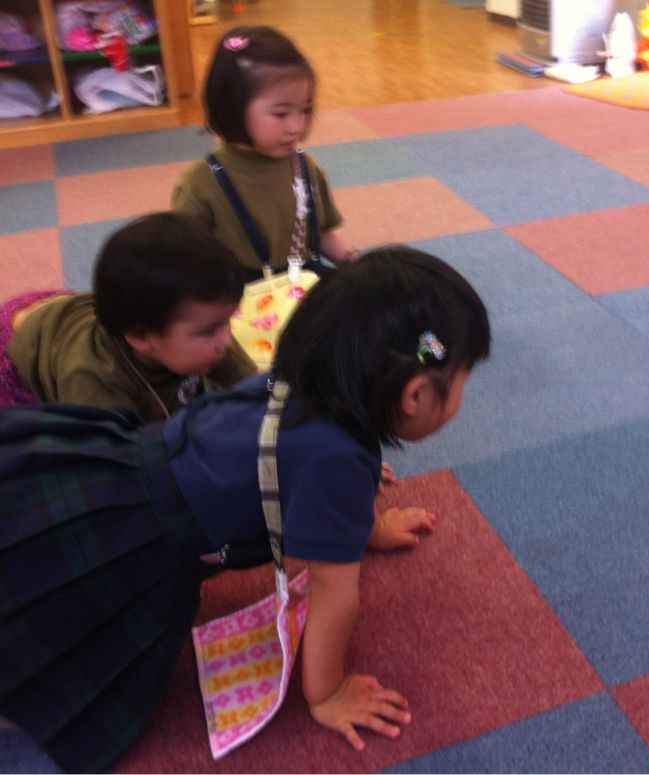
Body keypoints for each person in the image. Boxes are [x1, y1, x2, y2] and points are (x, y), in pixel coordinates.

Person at [0, 245, 492, 772]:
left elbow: (321, 485)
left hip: (116, 467)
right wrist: (327, 692)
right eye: (462, 381)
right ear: (415, 396)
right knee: (45, 626)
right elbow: (335, 593)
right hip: (135, 537)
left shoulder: (297, 386)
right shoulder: (334, 460)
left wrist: (366, 528)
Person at [0, 212, 256, 422]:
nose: (227, 341)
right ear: (142, 336)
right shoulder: (93, 382)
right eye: (210, 330)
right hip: (20, 352)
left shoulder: (205, 330)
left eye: (227, 320)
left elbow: (257, 388)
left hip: (72, 311)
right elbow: (111, 460)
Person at [172, 25, 354, 281]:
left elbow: (320, 234)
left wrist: (353, 263)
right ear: (233, 106)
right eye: (281, 114)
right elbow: (185, 263)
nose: (297, 126)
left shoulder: (305, 167)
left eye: (305, 110)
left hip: (303, 281)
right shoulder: (200, 184)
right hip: (237, 292)